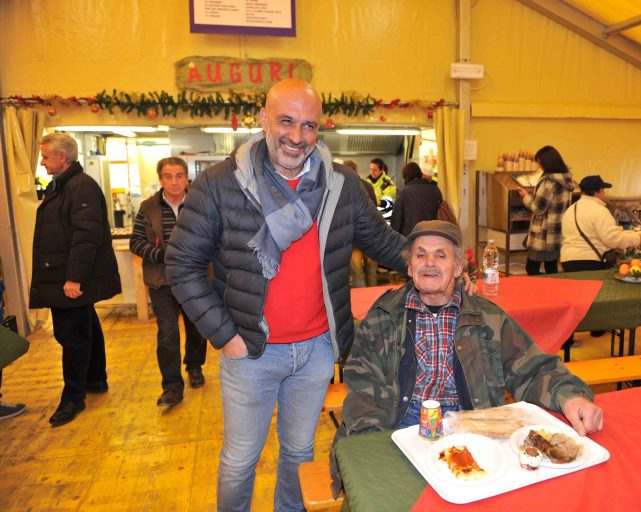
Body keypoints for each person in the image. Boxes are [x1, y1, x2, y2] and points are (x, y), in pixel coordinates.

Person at [164, 79, 410, 512]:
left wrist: (437, 261)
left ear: (320, 129)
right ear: (264, 119)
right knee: (241, 459)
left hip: (315, 350)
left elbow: (384, 242)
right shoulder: (220, 184)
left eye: (309, 125)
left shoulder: (341, 185)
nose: (297, 136)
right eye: (286, 121)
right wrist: (226, 337)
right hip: (250, 352)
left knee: (299, 453)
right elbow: (182, 265)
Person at [332, 220, 602, 484]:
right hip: (400, 424)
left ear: (458, 266)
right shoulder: (385, 316)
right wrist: (372, 439)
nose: (429, 263)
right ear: (410, 265)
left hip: (473, 427)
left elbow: (532, 369)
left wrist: (570, 397)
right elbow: (364, 383)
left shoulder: (487, 318)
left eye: (441, 255)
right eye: (420, 255)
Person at [30, 132, 121, 427]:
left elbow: (85, 237)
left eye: (46, 156)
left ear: (62, 157)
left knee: (72, 337)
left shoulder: (80, 187)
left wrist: (74, 278)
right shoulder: (65, 184)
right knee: (86, 326)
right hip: (63, 273)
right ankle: (95, 379)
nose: (42, 162)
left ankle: (72, 397)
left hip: (68, 278)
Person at [130, 157, 207, 407]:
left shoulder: (201, 203)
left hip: (195, 279)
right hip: (161, 281)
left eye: (178, 176)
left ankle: (194, 366)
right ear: (160, 179)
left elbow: (216, 236)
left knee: (197, 328)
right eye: (168, 176)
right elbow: (136, 242)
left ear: (186, 178)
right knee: (167, 333)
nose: (174, 182)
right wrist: (162, 255)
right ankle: (172, 386)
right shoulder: (148, 207)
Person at [560, 175, 641, 272]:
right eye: (603, 190)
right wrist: (637, 238)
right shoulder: (599, 210)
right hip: (589, 261)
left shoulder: (571, 209)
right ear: (599, 191)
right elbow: (612, 238)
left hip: (567, 260)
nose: (604, 192)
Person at [518, 146, 575, 275]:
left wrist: (525, 196)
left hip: (542, 234)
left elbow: (538, 209)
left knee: (532, 269)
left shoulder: (549, 182)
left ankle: (542, 287)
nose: (539, 165)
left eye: (540, 162)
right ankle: (552, 287)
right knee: (551, 268)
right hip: (557, 231)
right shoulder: (566, 179)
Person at [344, 160, 380, 288]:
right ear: (357, 171)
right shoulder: (368, 186)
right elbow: (375, 210)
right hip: (371, 237)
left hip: (354, 239)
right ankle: (374, 299)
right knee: (372, 273)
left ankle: (363, 300)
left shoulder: (343, 188)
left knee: (357, 275)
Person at [391, 162, 443, 237]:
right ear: (420, 173)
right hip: (431, 233)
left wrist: (394, 236)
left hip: (410, 236)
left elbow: (396, 218)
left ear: (405, 176)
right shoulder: (435, 189)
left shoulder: (403, 192)